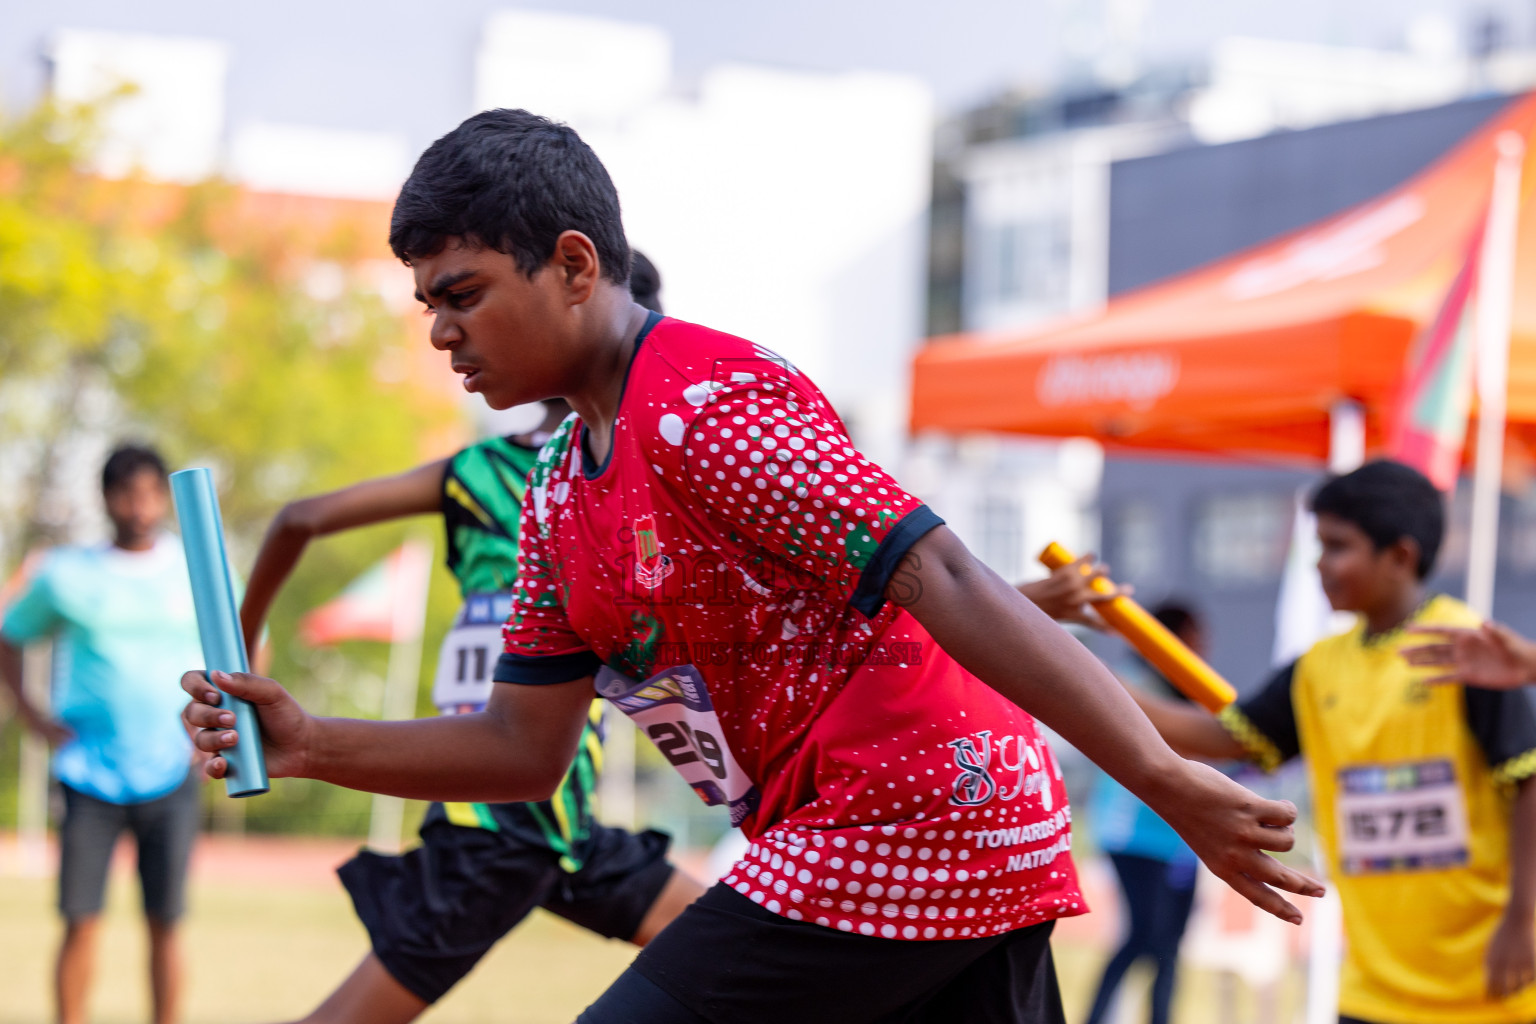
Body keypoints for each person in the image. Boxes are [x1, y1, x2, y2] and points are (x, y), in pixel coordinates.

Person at [181, 109, 1319, 1024]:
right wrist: (313, 742)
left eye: (463, 293)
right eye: (427, 303)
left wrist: (1166, 782)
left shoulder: (700, 409)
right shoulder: (550, 499)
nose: (438, 332)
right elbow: (522, 750)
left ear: (574, 265)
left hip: (917, 810)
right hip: (868, 821)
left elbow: (950, 579)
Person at [237, 254, 705, 1023]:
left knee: (743, 961)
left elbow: (298, 519)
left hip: (559, 815)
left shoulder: (479, 469)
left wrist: (247, 639)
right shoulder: (594, 480)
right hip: (495, 825)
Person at [1130, 460, 1536, 1024]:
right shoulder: (1319, 669)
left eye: (1337, 546)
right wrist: (1073, 679)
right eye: (1317, 547)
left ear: (1401, 555)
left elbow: (1527, 779)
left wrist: (1524, 918)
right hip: (1372, 992)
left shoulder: (1466, 651)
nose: (1320, 565)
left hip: (1492, 988)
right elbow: (1221, 737)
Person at [1, 445, 204, 1024]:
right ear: (107, 499)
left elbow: (244, 639)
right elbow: (9, 635)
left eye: (149, 493)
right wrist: (33, 717)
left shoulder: (194, 569)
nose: (139, 507)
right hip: (89, 771)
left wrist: (225, 726)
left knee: (166, 921)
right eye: (126, 494)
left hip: (172, 766)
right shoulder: (66, 574)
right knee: (79, 918)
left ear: (163, 498)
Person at [1083, 602, 1204, 1024]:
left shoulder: (1192, 694)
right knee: (1143, 935)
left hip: (1182, 842)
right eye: (1192, 638)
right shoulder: (1132, 686)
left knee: (1169, 944)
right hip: (1133, 834)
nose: (1200, 648)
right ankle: (1096, 1017)